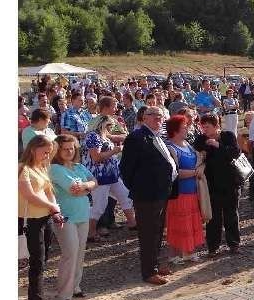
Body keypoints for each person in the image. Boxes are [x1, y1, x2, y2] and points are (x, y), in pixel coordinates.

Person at [119, 107, 178, 285]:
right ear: (144, 118)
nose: (158, 119)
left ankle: (156, 264)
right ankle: (148, 271)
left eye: (161, 116)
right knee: (148, 233)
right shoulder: (136, 138)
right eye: (154, 116)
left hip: (161, 192)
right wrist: (139, 187)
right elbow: (126, 168)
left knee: (158, 231)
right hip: (146, 195)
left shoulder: (158, 136)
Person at [18, 135, 64, 300]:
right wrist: (53, 208)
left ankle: (36, 299)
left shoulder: (41, 167)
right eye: (45, 152)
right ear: (33, 149)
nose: (47, 156)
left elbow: (48, 191)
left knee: (42, 261)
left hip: (45, 218)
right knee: (37, 262)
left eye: (49, 153)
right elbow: (29, 195)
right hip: (30, 221)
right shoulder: (23, 168)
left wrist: (56, 210)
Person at [49, 134, 97, 300]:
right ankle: (64, 293)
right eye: (65, 149)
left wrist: (85, 187)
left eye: (72, 148)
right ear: (58, 150)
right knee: (70, 253)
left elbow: (94, 181)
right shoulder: (54, 168)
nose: (69, 151)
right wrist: (87, 188)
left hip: (82, 215)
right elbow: (71, 190)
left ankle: (75, 287)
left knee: (80, 253)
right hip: (65, 217)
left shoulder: (78, 166)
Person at [193, 114, 243, 256]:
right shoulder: (201, 139)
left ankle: (234, 244)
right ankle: (213, 247)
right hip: (212, 185)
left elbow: (235, 153)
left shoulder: (227, 136)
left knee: (231, 215)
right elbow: (197, 149)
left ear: (216, 126)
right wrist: (206, 145)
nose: (204, 129)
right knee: (213, 218)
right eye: (202, 126)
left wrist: (218, 145)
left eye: (207, 127)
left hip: (230, 183)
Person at [83, 115, 137, 242]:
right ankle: (90, 232)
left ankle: (132, 223)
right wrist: (115, 151)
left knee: (125, 196)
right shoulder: (93, 136)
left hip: (111, 175)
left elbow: (121, 137)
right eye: (109, 125)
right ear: (101, 124)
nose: (111, 128)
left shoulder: (104, 135)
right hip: (100, 176)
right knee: (99, 206)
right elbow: (96, 157)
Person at [164, 115, 205, 264]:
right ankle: (174, 254)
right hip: (179, 193)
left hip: (192, 191)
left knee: (191, 222)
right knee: (178, 223)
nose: (187, 128)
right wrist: (195, 173)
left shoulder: (188, 145)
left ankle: (188, 252)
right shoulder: (170, 148)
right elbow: (175, 172)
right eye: (184, 126)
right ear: (175, 130)